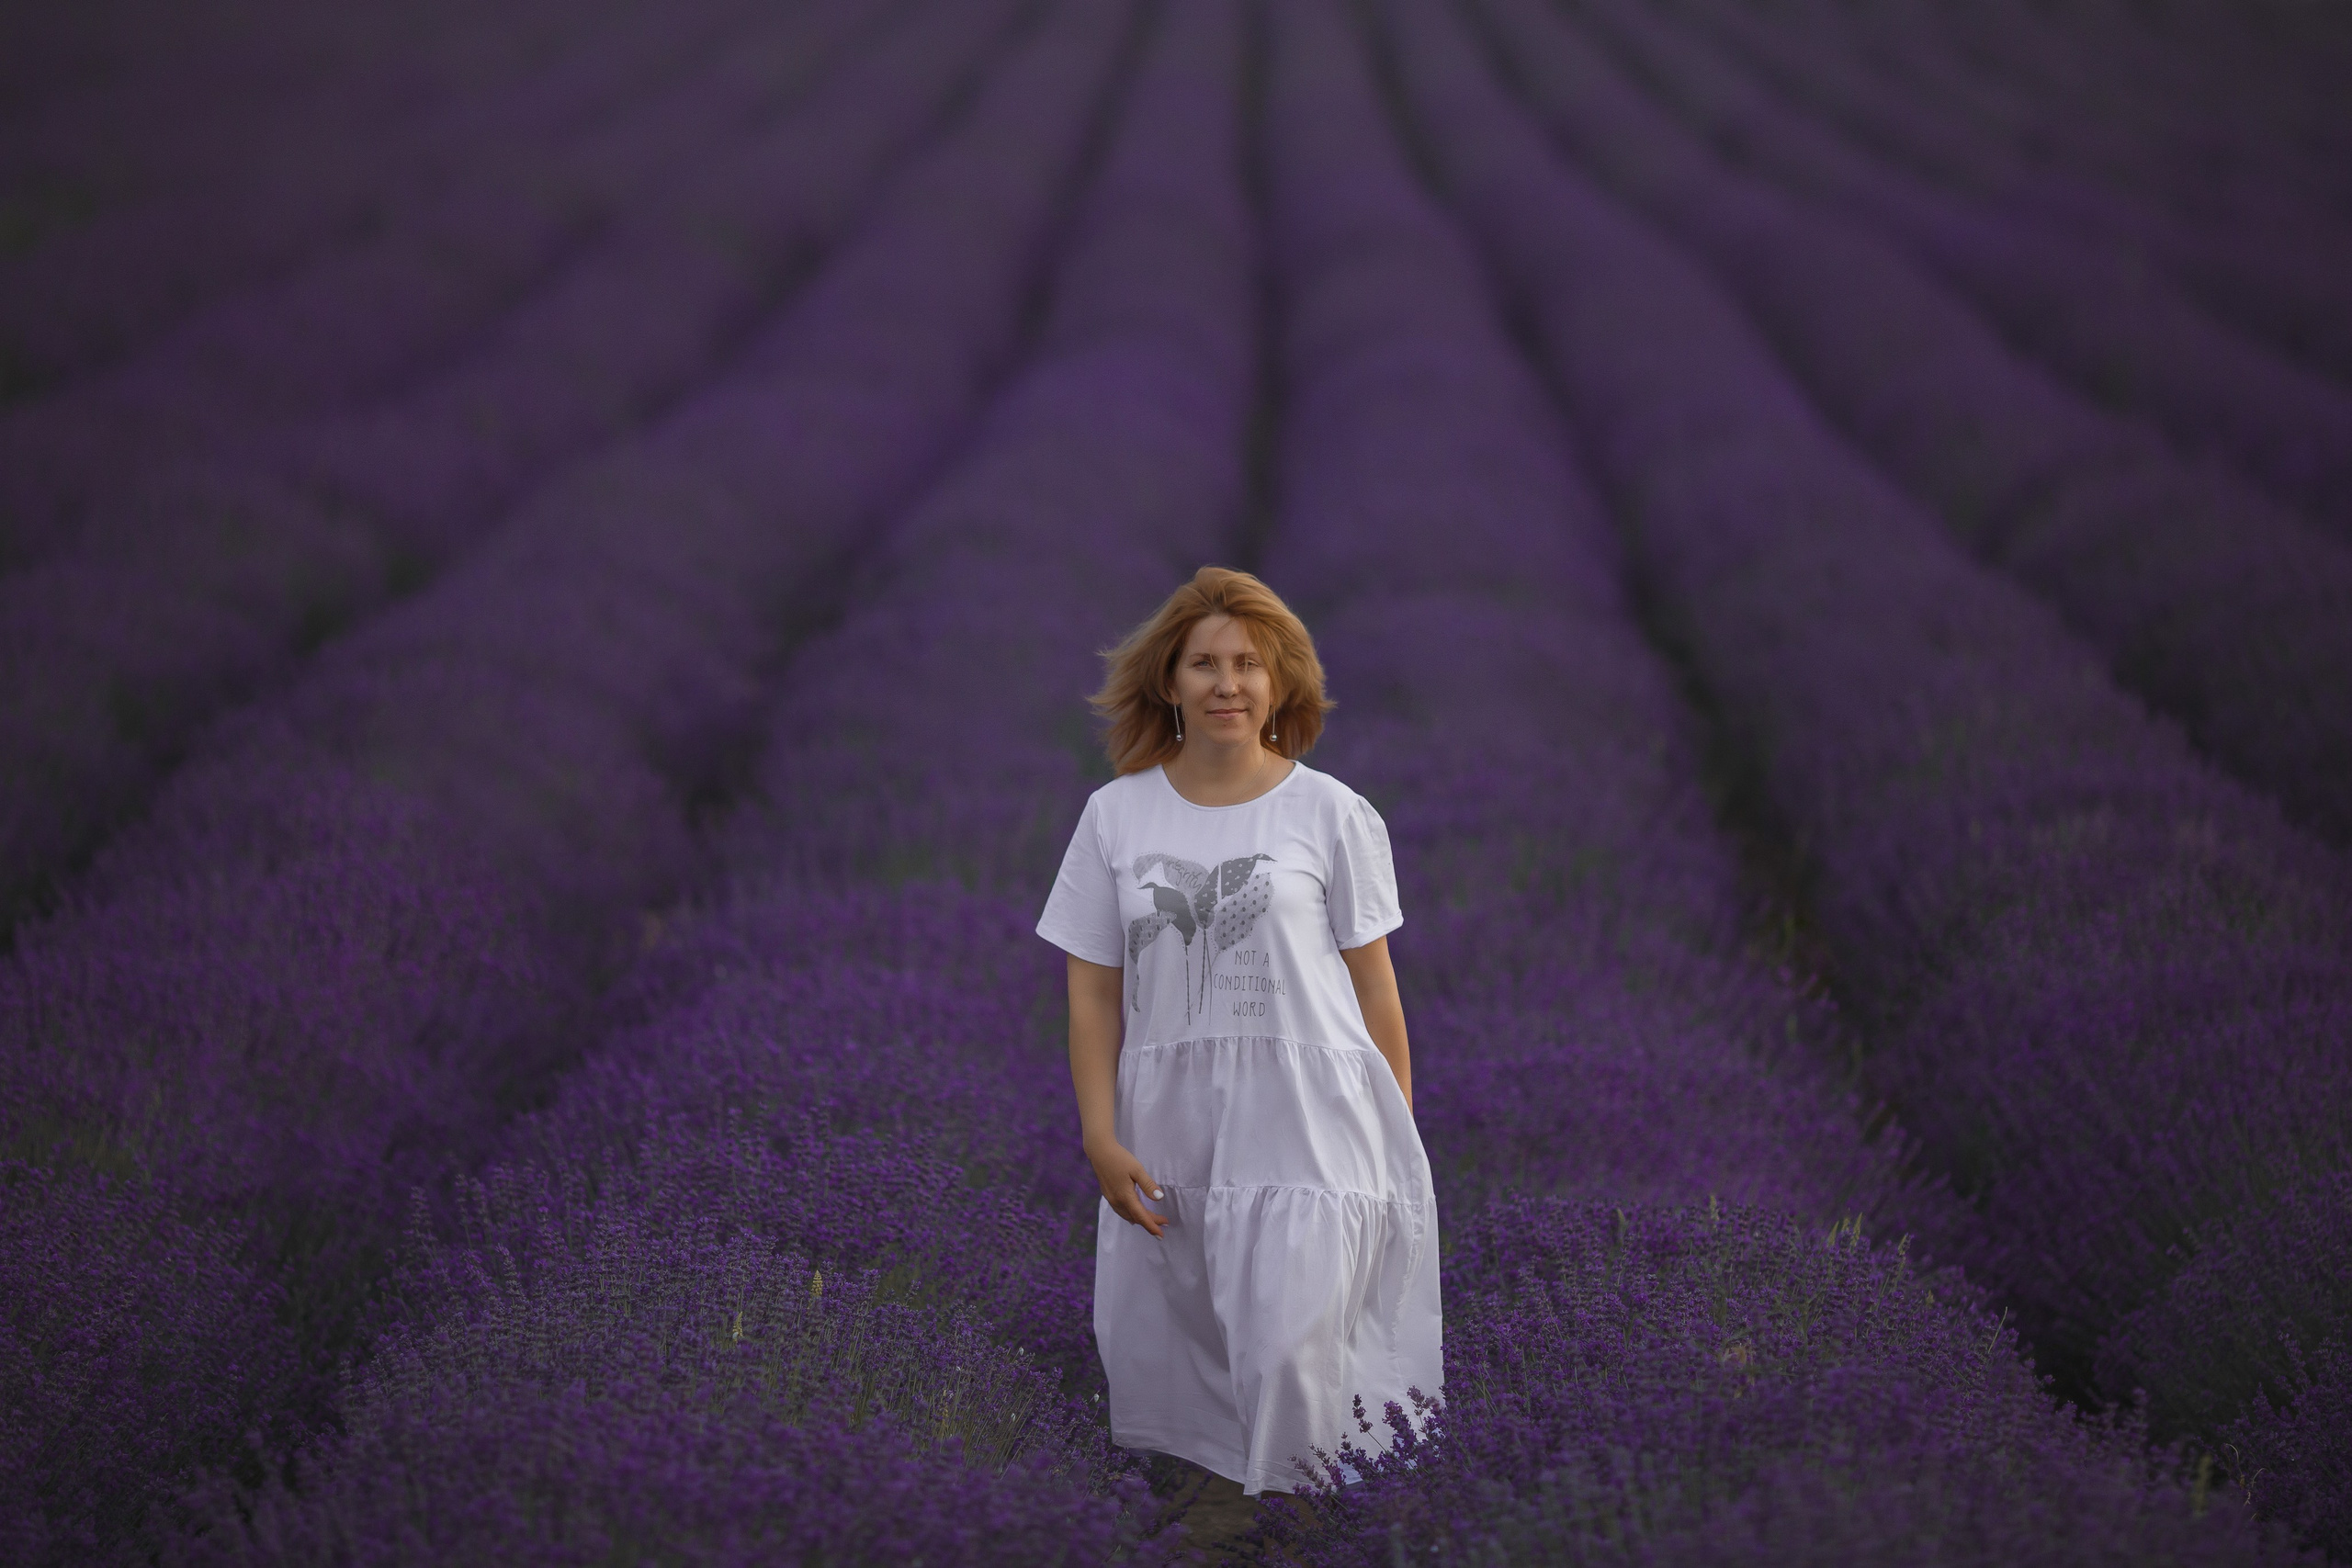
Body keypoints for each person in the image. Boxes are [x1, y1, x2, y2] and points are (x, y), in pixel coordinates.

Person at [1036, 565, 1441, 1496]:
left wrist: (1393, 1136)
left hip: (1313, 1122)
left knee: (1293, 1351)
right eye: (1204, 664)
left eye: (1248, 665)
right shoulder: (1114, 817)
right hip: (1170, 1129)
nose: (1227, 684)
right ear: (1168, 683)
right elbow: (1092, 994)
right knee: (1195, 1361)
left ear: (1280, 683)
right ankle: (1226, 1526)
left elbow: (1375, 990)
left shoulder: (1331, 813)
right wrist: (1098, 1133)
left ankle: (1296, 1534)